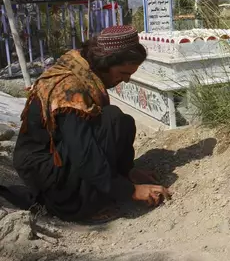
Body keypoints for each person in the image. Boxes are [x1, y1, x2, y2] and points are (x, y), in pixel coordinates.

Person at [13, 25, 171, 222]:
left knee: (120, 121)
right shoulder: (70, 88)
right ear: (106, 63)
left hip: (64, 152)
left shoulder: (84, 68)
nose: (126, 80)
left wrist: (127, 173)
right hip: (43, 168)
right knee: (111, 119)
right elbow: (84, 152)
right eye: (122, 73)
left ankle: (109, 183)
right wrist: (129, 191)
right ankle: (77, 207)